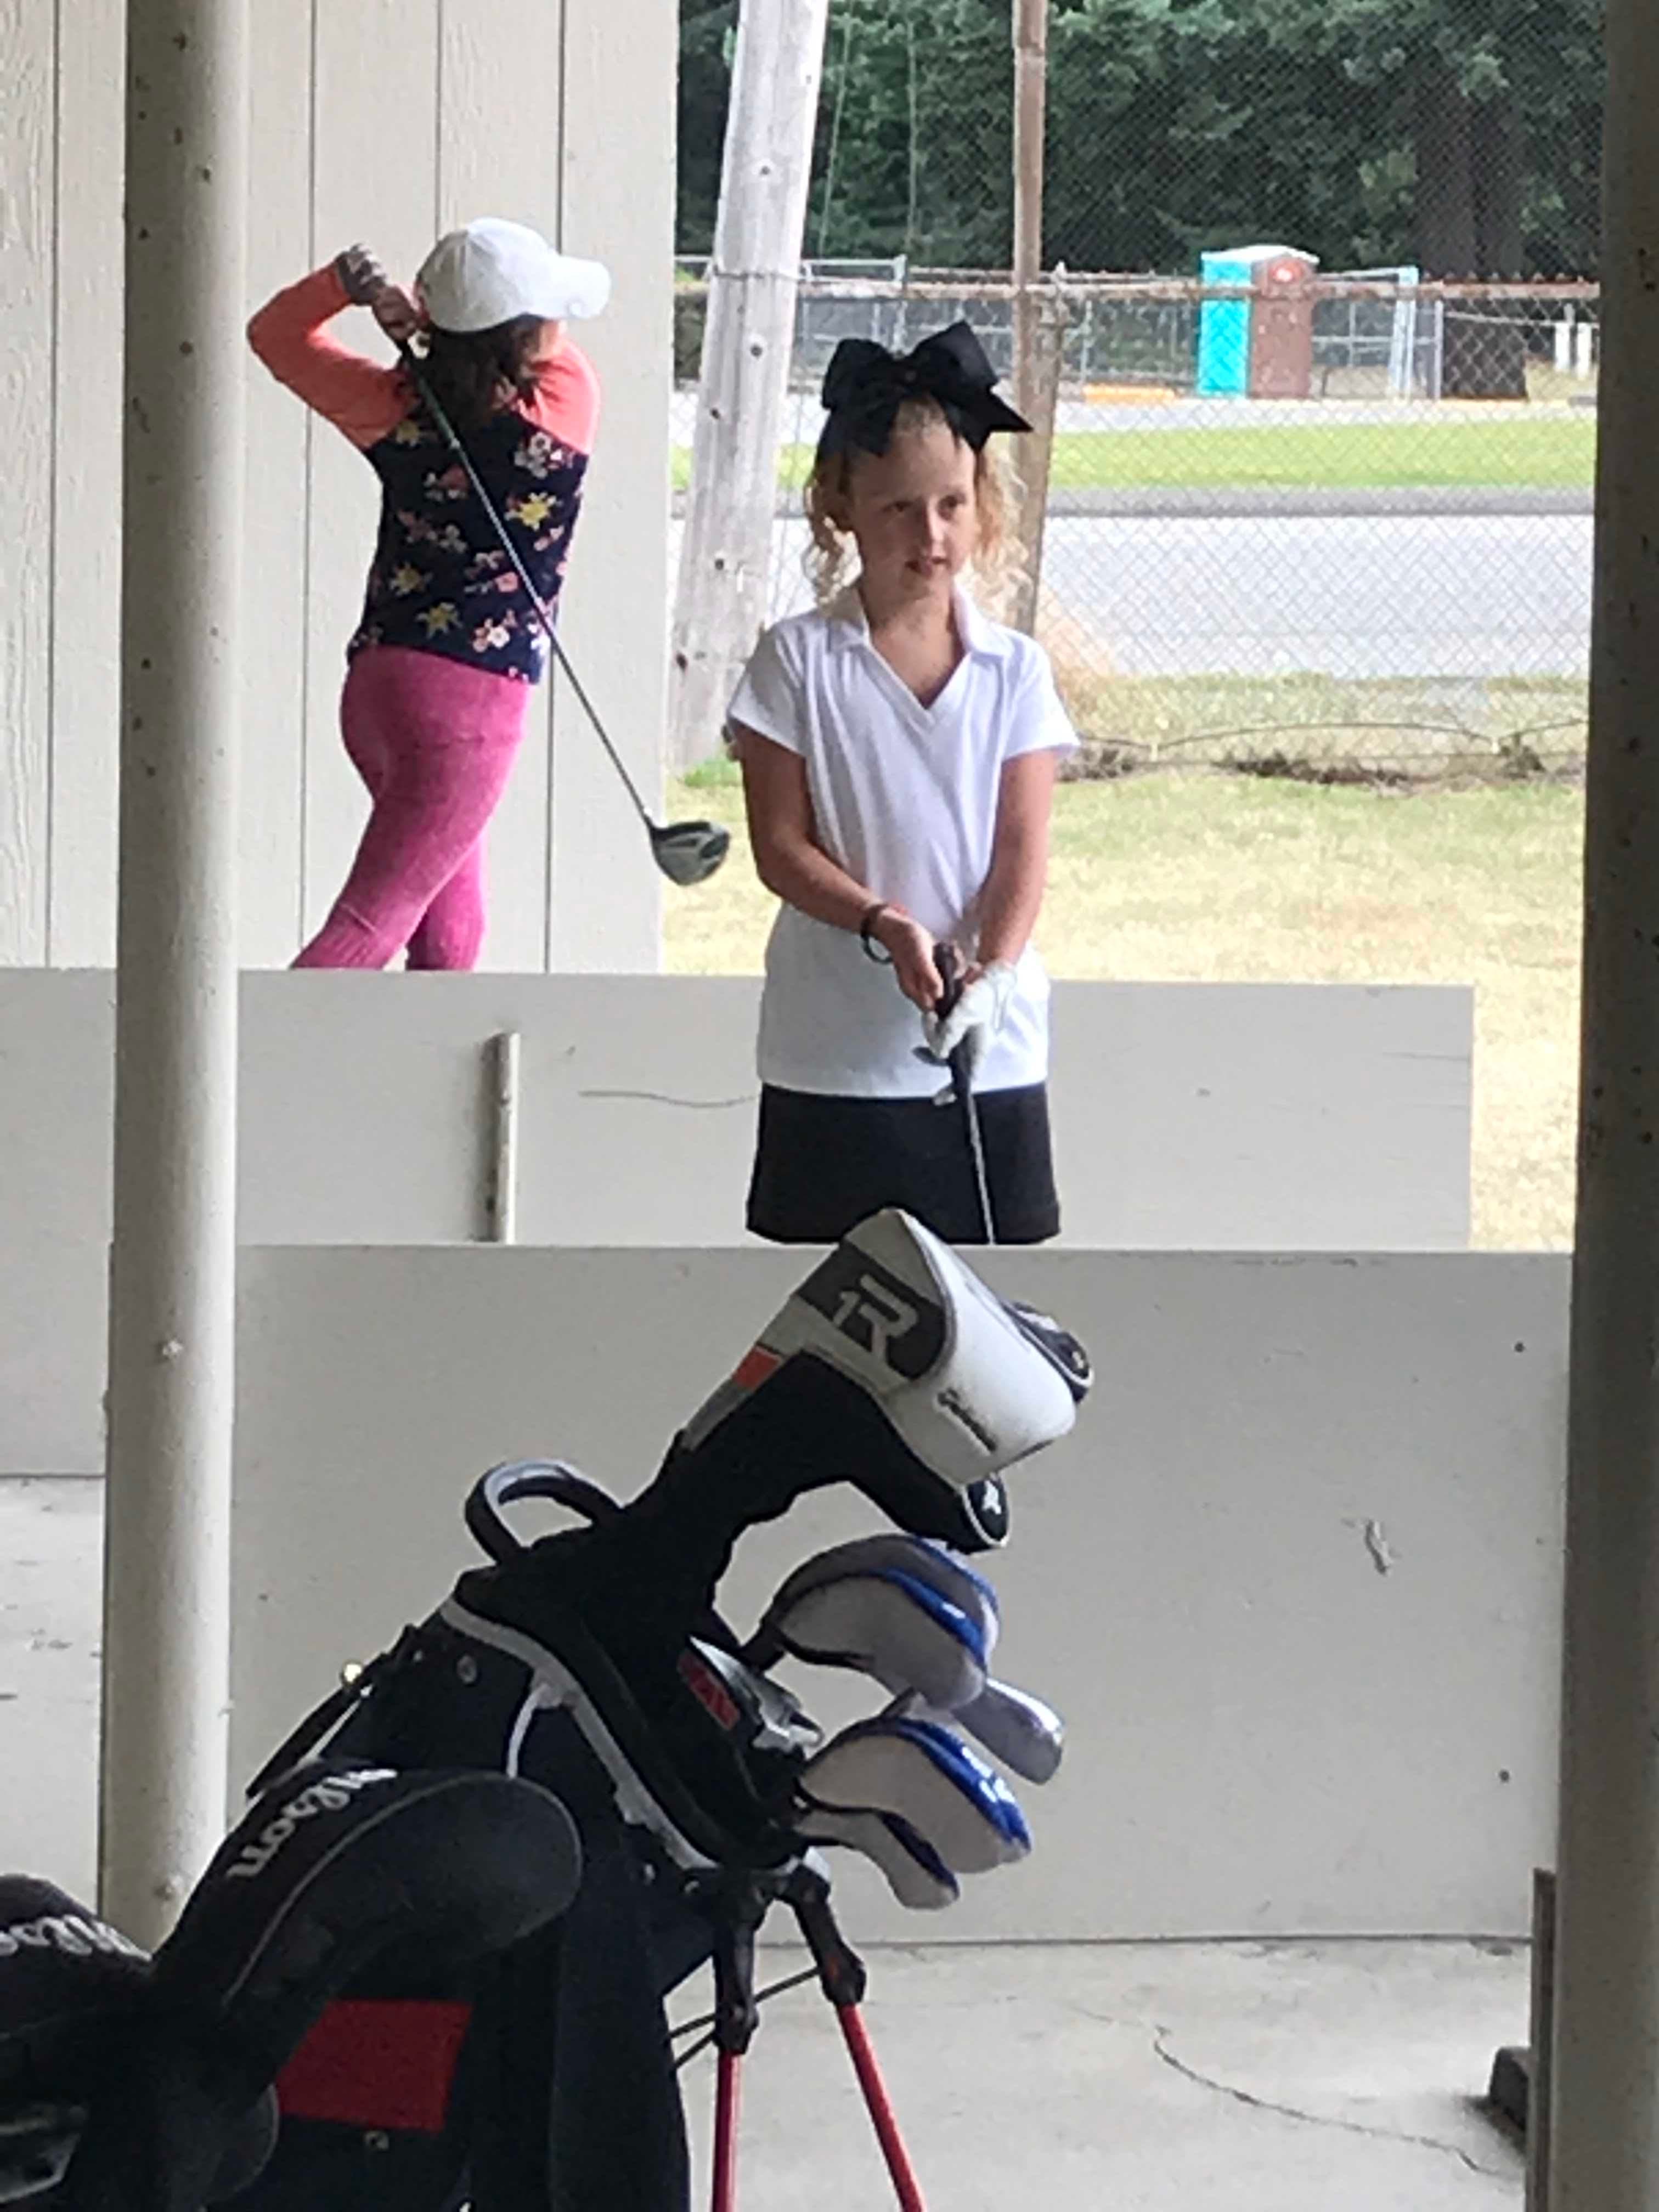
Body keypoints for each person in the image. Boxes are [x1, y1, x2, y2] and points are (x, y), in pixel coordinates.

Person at [727, 322, 1077, 1246]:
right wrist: (885, 923)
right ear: (841, 506)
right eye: (898, 510)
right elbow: (781, 847)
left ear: (980, 505)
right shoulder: (795, 662)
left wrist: (994, 976)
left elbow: (1021, 849)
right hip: (832, 1057)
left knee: (999, 1299)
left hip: (991, 1055)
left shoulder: (1015, 671)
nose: (931, 536)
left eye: (952, 506)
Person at [247, 218, 610, 969]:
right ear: (525, 339)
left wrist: (344, 291)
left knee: (450, 938)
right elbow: (539, 359)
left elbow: (275, 337)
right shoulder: (566, 405)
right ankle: (253, 1050)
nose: (561, 325)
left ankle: (420, 1054)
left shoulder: (394, 406)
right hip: (469, 710)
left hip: (378, 690)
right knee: (367, 927)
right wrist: (422, 330)